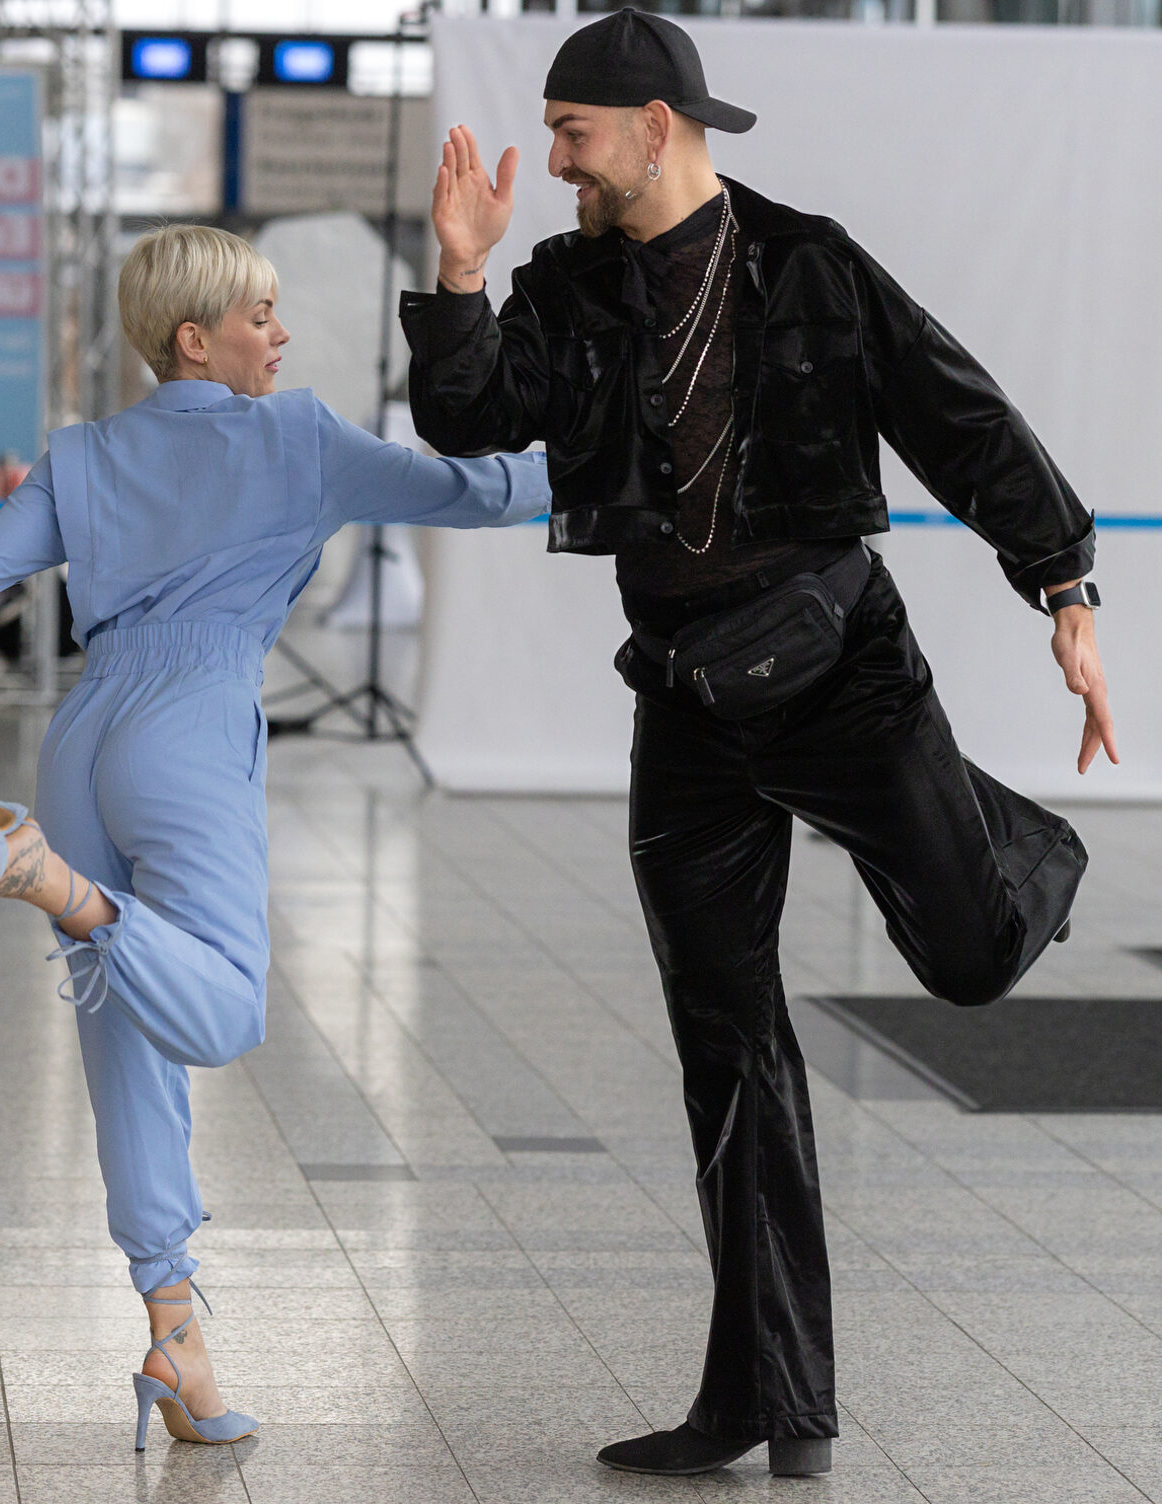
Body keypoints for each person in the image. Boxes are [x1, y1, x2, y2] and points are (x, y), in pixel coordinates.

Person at [400, 8, 1114, 1480]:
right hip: (685, 704)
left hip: (843, 671)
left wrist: (1066, 587)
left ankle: (1012, 847)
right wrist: (461, 274)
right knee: (729, 1051)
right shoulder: (566, 283)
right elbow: (474, 418)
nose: (554, 159)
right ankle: (767, 1404)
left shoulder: (812, 265)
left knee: (975, 961)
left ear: (656, 128)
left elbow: (959, 417)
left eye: (575, 134)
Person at [0, 224, 551, 1448]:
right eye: (261, 313)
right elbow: (476, 490)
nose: (283, 332)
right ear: (193, 337)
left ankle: (176, 1339)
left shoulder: (83, 453)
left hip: (83, 737)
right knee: (225, 1009)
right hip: (190, 727)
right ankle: (48, 881)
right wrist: (637, 460)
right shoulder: (301, 437)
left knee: (128, 1051)